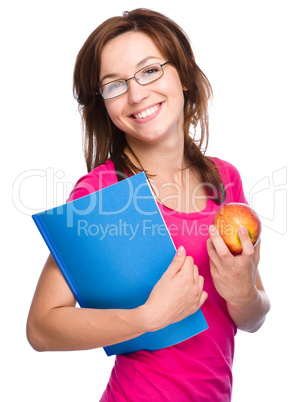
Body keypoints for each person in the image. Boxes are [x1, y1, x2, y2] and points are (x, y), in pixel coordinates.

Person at [27, 8, 271, 401]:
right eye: (114, 85)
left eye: (149, 71)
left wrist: (243, 293)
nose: (137, 94)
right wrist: (147, 318)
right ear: (103, 104)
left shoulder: (224, 179)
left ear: (184, 77)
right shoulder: (101, 193)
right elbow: (41, 328)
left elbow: (253, 318)